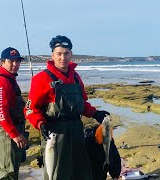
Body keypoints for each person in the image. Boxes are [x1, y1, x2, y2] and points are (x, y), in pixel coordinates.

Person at [25, 35, 110, 179]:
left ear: (71, 54)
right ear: (52, 55)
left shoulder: (76, 77)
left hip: (77, 132)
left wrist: (96, 113)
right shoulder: (41, 79)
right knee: (57, 174)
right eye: (59, 54)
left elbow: (82, 104)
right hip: (55, 135)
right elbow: (30, 109)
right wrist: (40, 123)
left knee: (81, 173)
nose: (62, 57)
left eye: (66, 53)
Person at [0, 47, 28, 179]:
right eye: (11, 61)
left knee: (12, 169)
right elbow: (0, 111)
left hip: (12, 130)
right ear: (2, 62)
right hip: (6, 134)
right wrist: (14, 134)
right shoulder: (1, 80)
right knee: (7, 173)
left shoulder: (9, 78)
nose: (15, 64)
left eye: (18, 61)